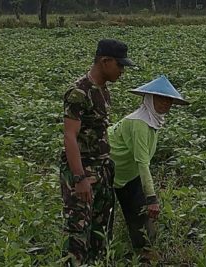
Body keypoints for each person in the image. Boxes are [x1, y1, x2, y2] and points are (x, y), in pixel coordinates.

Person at [60, 39, 135, 266]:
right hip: (83, 171)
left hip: (102, 170)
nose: (122, 71)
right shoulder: (79, 92)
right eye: (119, 66)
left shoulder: (102, 90)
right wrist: (79, 178)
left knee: (100, 234)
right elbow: (69, 136)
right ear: (105, 61)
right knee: (78, 234)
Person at [108, 75, 189, 262]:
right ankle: (104, 255)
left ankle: (144, 253)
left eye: (169, 100)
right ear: (149, 99)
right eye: (161, 98)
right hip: (108, 169)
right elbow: (142, 162)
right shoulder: (139, 123)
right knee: (104, 218)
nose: (165, 104)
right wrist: (152, 198)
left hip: (129, 173)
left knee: (140, 214)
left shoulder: (152, 120)